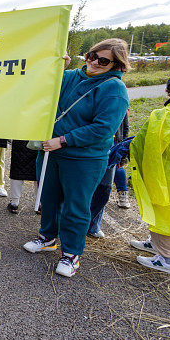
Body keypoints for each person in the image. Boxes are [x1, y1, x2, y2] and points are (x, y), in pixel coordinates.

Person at [23, 39, 129, 278]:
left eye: (103, 60)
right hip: (51, 152)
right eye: (92, 55)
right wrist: (56, 68)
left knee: (76, 206)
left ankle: (71, 254)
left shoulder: (114, 88)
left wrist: (62, 140)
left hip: (84, 158)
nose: (94, 62)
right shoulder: (71, 75)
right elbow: (42, 91)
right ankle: (48, 237)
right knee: (48, 198)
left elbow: (103, 128)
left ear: (116, 64)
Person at [129, 73, 170, 274]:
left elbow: (148, 148)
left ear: (168, 90)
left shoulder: (163, 116)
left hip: (168, 177)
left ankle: (168, 260)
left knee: (165, 215)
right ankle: (154, 242)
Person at [88, 113, 130, 238]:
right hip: (87, 144)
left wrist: (122, 154)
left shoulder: (117, 96)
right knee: (82, 187)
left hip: (111, 146)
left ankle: (93, 225)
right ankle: (69, 224)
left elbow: (124, 127)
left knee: (104, 188)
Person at [6, 140, 38, 214]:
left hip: (20, 139)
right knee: (38, 173)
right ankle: (39, 204)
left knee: (17, 172)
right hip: (39, 141)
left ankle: (14, 203)